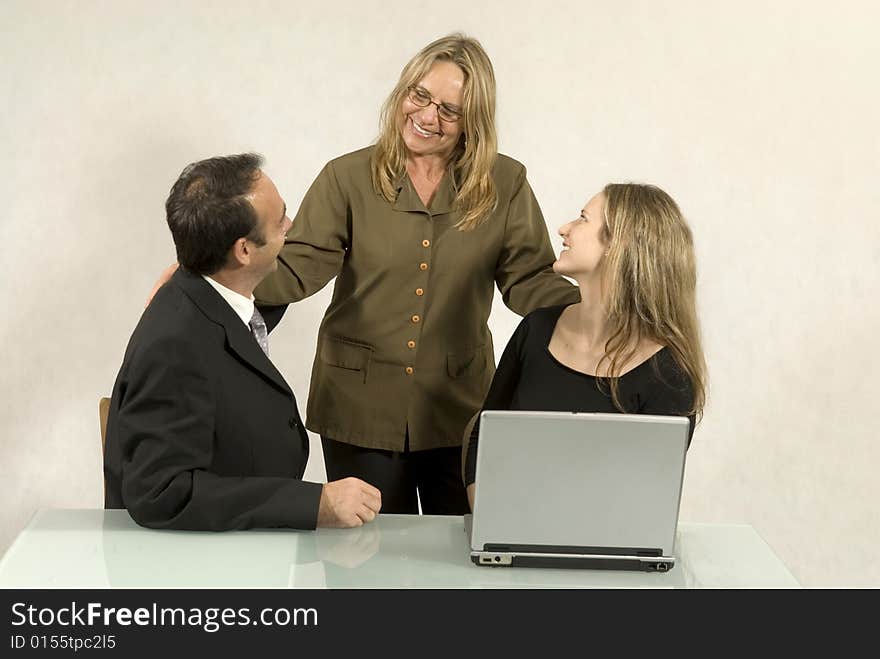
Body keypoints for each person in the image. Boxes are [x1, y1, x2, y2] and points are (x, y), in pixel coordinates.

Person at [146, 35, 579, 515]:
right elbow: (296, 266)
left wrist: (596, 310)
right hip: (358, 406)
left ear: (472, 120)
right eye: (420, 96)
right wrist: (210, 275)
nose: (428, 116)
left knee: (459, 562)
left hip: (458, 407)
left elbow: (529, 277)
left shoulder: (505, 182)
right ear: (402, 92)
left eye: (449, 110)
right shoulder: (346, 177)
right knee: (367, 567)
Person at [104, 153, 381, 531]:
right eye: (280, 220)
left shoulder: (212, 299)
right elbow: (160, 491)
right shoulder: (174, 345)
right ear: (244, 250)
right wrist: (315, 503)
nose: (291, 225)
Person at [463, 183, 707, 508]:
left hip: (602, 551)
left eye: (582, 219)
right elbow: (485, 433)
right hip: (510, 538)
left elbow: (644, 499)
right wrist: (490, 521)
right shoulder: (536, 330)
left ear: (617, 245)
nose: (564, 229)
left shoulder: (668, 374)